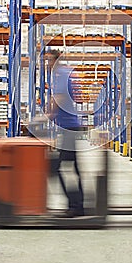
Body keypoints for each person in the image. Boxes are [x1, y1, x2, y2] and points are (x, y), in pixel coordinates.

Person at [47, 50, 84, 217]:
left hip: (69, 129)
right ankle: (77, 204)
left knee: (58, 168)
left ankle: (75, 205)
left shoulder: (61, 74)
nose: (47, 64)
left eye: (49, 61)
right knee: (72, 168)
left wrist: (47, 116)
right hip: (70, 128)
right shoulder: (65, 74)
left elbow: (59, 98)